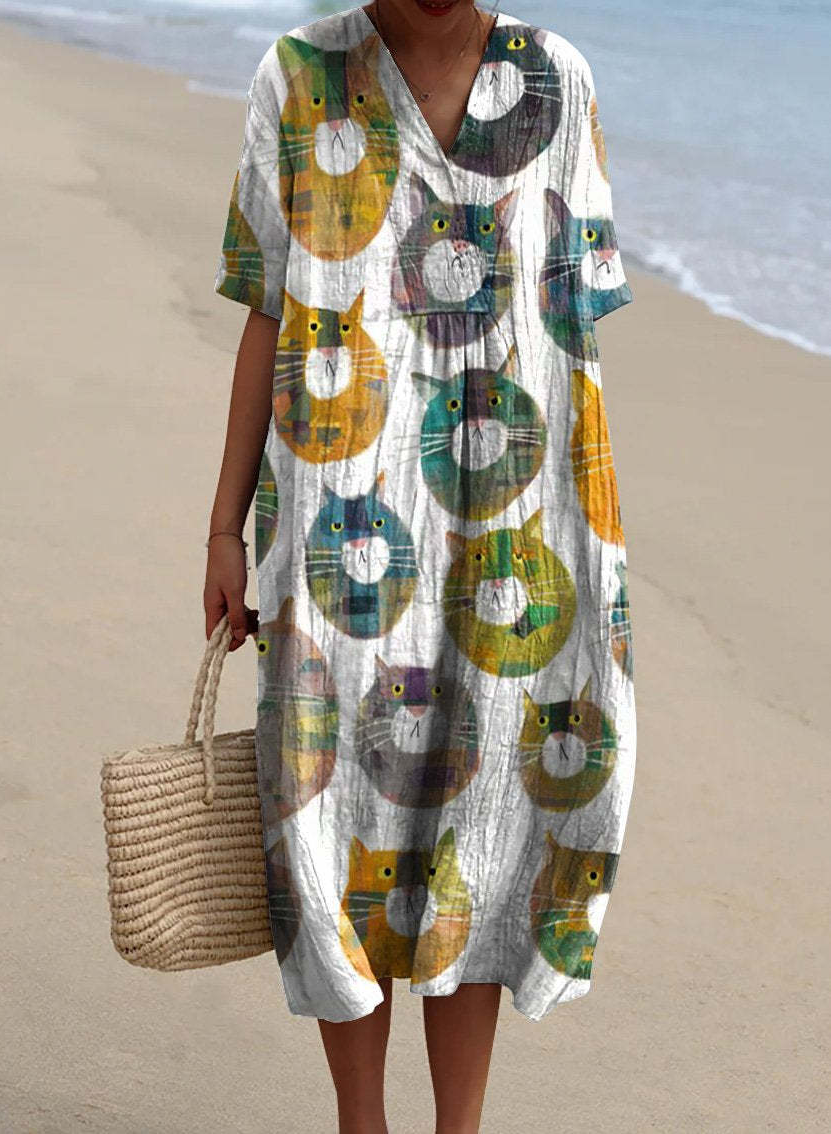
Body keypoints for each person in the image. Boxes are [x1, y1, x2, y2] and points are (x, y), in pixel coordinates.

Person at [205, 2, 636, 1130]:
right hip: (332, 522)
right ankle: (362, 1124)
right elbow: (268, 306)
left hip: (517, 530)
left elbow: (574, 337)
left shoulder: (556, 82)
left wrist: (590, 552)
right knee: (328, 813)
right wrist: (221, 528)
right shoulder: (299, 78)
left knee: (482, 824)